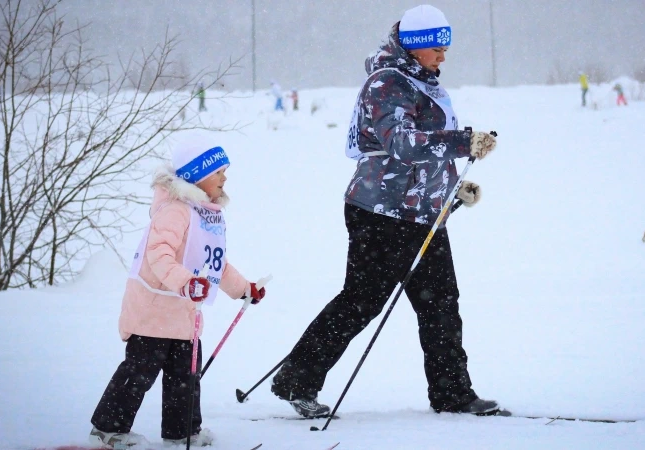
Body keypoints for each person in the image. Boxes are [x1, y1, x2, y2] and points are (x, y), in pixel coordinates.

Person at [269, 4, 506, 419]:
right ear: (415, 46)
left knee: (441, 303)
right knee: (362, 301)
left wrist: (452, 186)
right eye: (437, 48)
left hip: (422, 214)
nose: (444, 56)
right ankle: (297, 380)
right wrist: (462, 142)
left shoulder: (425, 84)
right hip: (379, 213)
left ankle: (452, 393)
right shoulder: (387, 84)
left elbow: (424, 151)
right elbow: (403, 143)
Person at [89, 131, 269, 448]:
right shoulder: (175, 210)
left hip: (185, 316)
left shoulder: (205, 214)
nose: (225, 177)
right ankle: (108, 430)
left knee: (185, 376)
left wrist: (245, 289)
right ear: (197, 176)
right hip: (152, 312)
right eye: (218, 171)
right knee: (139, 372)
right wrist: (186, 283)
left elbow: (216, 265)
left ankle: (181, 432)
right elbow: (159, 255)